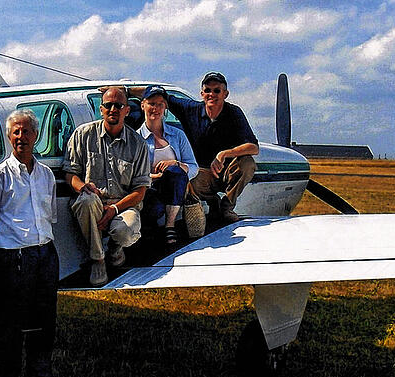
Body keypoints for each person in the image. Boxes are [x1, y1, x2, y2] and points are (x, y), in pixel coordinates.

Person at [0, 109, 69, 377]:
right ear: (8, 136)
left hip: (45, 253)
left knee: (45, 322)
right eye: (16, 132)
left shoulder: (45, 175)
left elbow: (49, 217)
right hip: (13, 257)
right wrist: (13, 247)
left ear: (36, 135)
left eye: (27, 131)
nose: (21, 137)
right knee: (9, 327)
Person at [133, 72, 258, 223]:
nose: (211, 94)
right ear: (202, 93)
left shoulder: (234, 112)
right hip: (200, 174)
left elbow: (253, 147)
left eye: (217, 90)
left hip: (226, 170)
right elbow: (160, 95)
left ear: (225, 94)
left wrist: (224, 154)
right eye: (207, 91)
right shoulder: (190, 109)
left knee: (248, 163)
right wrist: (126, 91)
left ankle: (227, 206)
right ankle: (213, 203)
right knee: (185, 177)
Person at [62, 87, 150, 286]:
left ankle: (115, 247)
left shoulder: (138, 144)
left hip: (123, 206)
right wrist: (82, 187)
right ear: (101, 109)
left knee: (126, 230)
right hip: (92, 202)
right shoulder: (82, 134)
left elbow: (140, 191)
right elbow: (70, 174)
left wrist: (114, 210)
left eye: (118, 105)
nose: (113, 109)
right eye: (108, 105)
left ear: (127, 110)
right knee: (86, 201)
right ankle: (98, 260)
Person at [136, 85, 199, 244]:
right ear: (143, 105)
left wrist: (176, 164)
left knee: (175, 171)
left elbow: (193, 167)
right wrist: (151, 176)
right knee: (154, 208)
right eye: (151, 103)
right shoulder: (135, 138)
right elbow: (129, 173)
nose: (155, 109)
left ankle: (169, 225)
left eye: (160, 104)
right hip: (148, 189)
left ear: (165, 108)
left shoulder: (178, 135)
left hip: (174, 188)